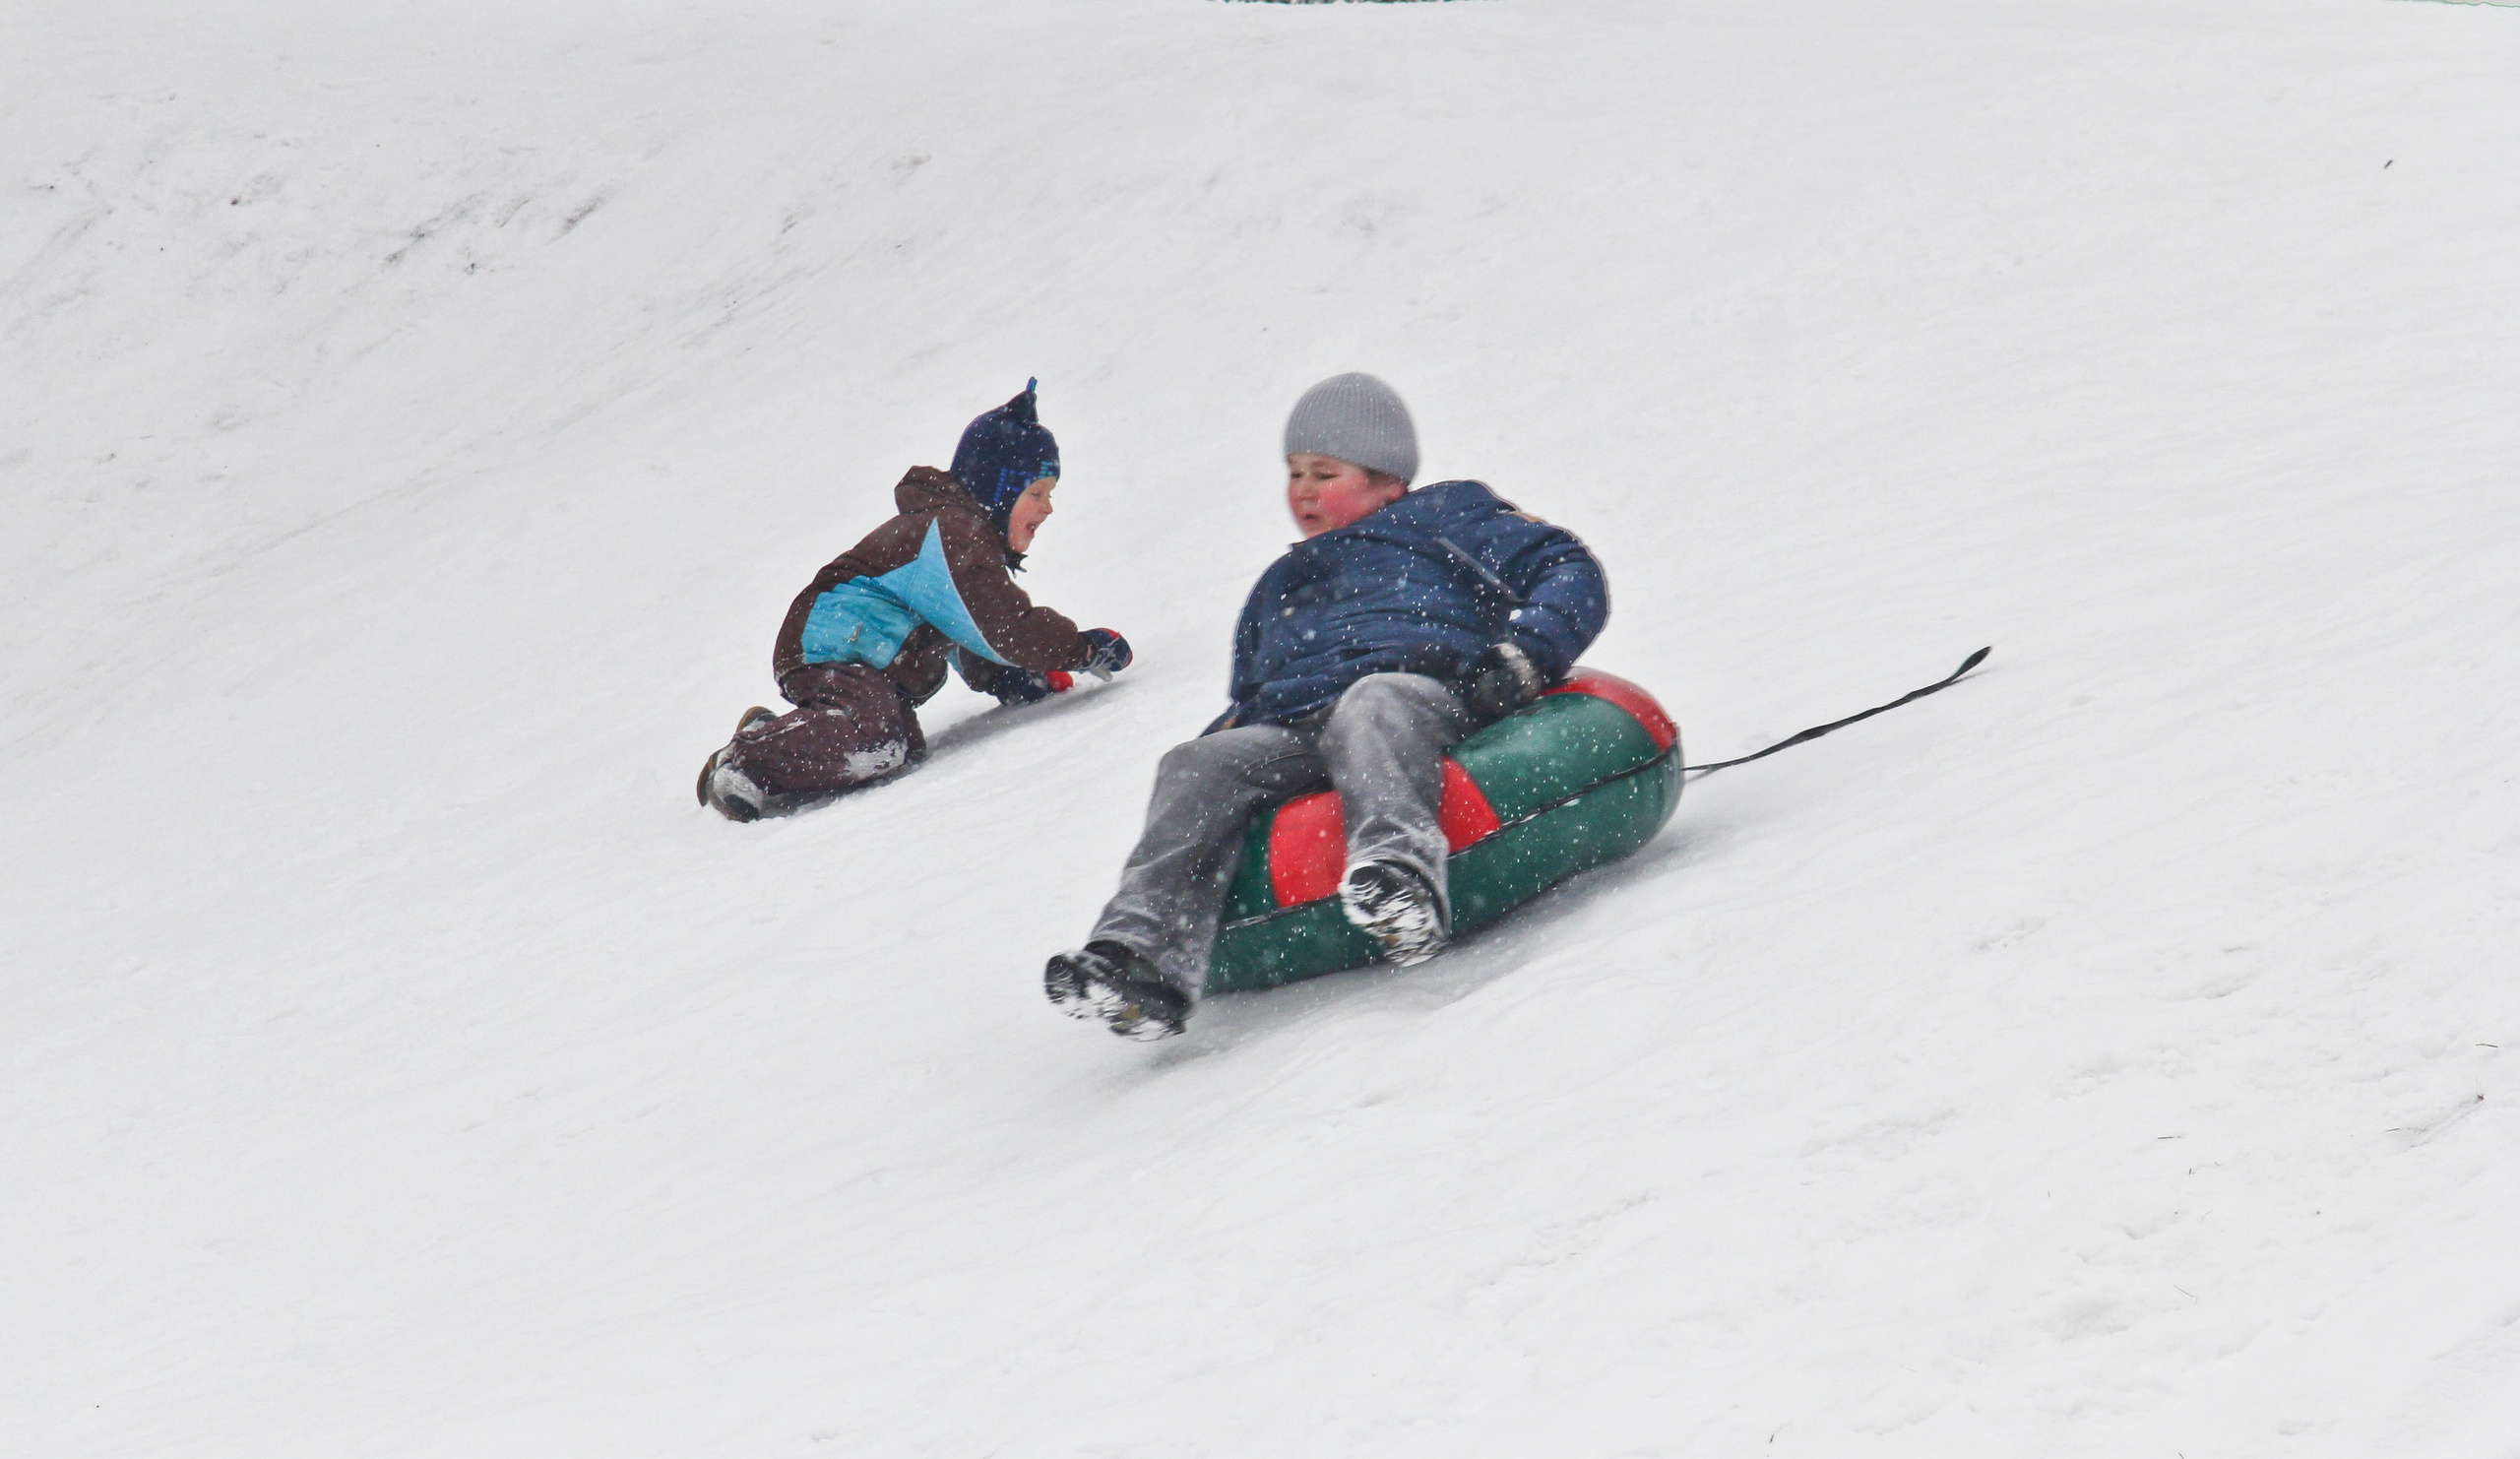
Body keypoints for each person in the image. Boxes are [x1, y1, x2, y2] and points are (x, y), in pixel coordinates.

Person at [1044, 373, 1608, 1039]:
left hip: (1427, 694)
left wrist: (1525, 654)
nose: (1304, 491)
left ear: (1387, 480)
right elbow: (1248, 701)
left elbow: (1569, 568)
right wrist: (1225, 750)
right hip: (1299, 727)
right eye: (1294, 474)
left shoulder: (1445, 516)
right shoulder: (1281, 582)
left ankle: (1400, 880)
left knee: (1370, 705)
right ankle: (1141, 959)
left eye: (1324, 472)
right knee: (1196, 762)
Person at [698, 381, 1131, 820]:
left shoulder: (959, 540)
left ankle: (775, 733)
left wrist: (1007, 678)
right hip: (832, 642)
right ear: (995, 491)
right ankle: (745, 762)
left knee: (898, 745)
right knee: (875, 738)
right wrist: (1082, 648)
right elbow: (1000, 625)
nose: (1047, 508)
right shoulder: (954, 533)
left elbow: (965, 625)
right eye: (1035, 493)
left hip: (864, 660)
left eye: (1050, 494)